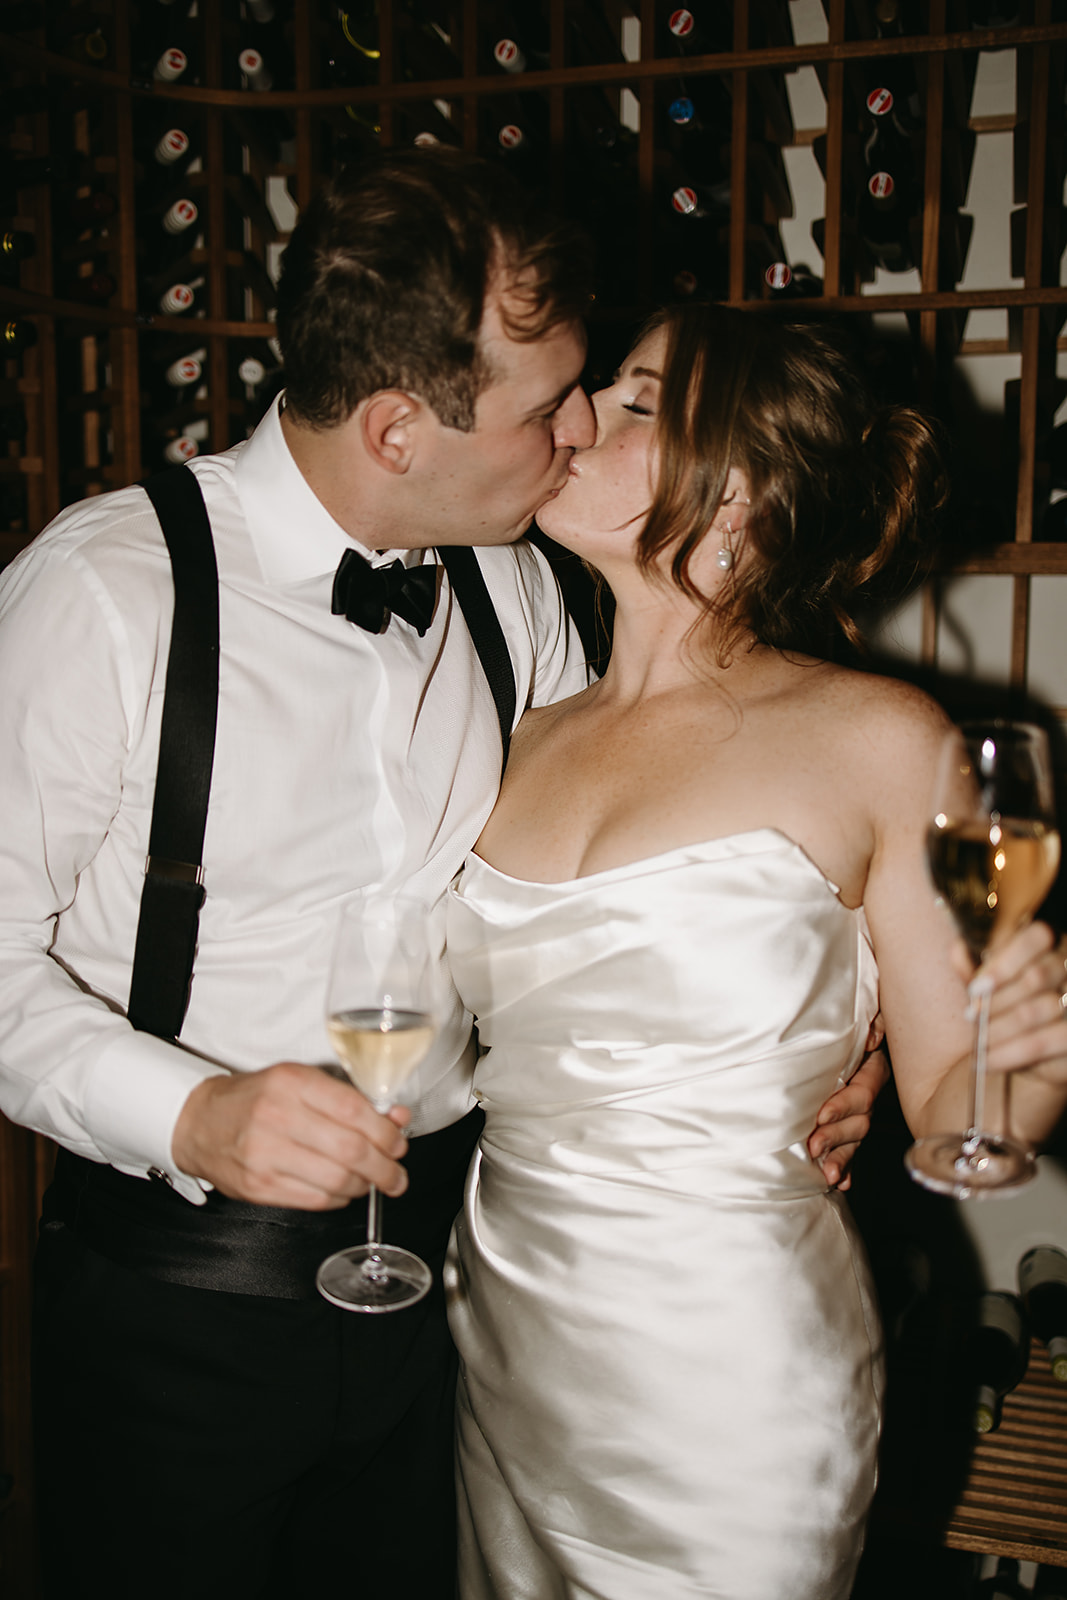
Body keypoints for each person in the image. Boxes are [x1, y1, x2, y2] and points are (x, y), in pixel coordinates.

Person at [0, 151, 876, 1597]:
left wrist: (853, 1033)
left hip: (456, 1312)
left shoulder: (514, 584)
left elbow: (671, 859)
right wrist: (194, 1111)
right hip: (182, 1314)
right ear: (400, 426)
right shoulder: (102, 597)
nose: (583, 431)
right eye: (551, 406)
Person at [443, 302, 1067, 1600]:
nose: (578, 420)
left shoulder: (885, 740)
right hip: (505, 1326)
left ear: (743, 494)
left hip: (733, 1367)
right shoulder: (511, 730)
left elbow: (958, 1119)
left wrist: (1032, 1058)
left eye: (632, 402)